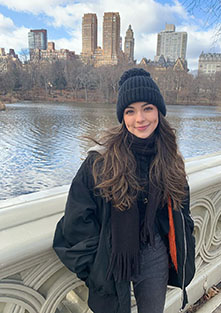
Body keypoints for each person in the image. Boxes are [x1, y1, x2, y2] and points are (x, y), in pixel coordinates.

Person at [53, 68, 195, 313]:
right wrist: (94, 266)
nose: (140, 119)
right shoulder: (100, 162)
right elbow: (76, 221)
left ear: (159, 111)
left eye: (147, 108)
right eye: (130, 111)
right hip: (112, 256)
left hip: (154, 253)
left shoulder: (170, 159)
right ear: (122, 116)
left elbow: (183, 211)